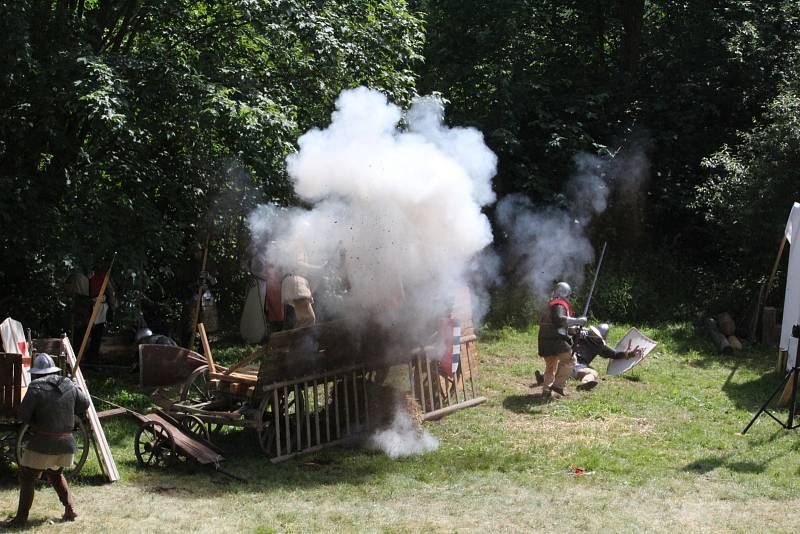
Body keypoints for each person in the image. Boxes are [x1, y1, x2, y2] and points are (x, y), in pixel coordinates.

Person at [5, 354, 90, 527]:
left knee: (27, 477)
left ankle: (21, 518)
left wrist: (37, 421)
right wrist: (74, 391)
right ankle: (70, 509)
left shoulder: (35, 387)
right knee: (56, 474)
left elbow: (23, 415)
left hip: (44, 443)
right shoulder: (68, 383)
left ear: (37, 373)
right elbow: (85, 404)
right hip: (67, 444)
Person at [535, 323, 641, 391]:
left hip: (577, 368)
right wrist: (575, 329)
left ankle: (585, 384)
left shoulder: (600, 346)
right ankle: (543, 378)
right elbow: (567, 330)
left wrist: (630, 354)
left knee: (592, 372)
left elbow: (615, 354)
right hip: (569, 362)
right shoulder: (581, 334)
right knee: (588, 371)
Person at [537, 281, 586, 399]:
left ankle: (546, 390)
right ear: (565, 294)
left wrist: (573, 330)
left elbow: (555, 326)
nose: (569, 298)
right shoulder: (559, 304)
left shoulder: (550, 304)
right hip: (556, 342)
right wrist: (578, 321)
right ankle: (558, 386)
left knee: (551, 367)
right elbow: (559, 319)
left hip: (544, 341)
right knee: (570, 360)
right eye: (569, 295)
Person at [84, 268, 117, 365]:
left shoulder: (91, 279)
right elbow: (110, 295)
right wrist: (112, 308)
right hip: (96, 308)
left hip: (98, 308)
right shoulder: (93, 279)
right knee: (96, 334)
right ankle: (91, 358)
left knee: (95, 334)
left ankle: (91, 357)